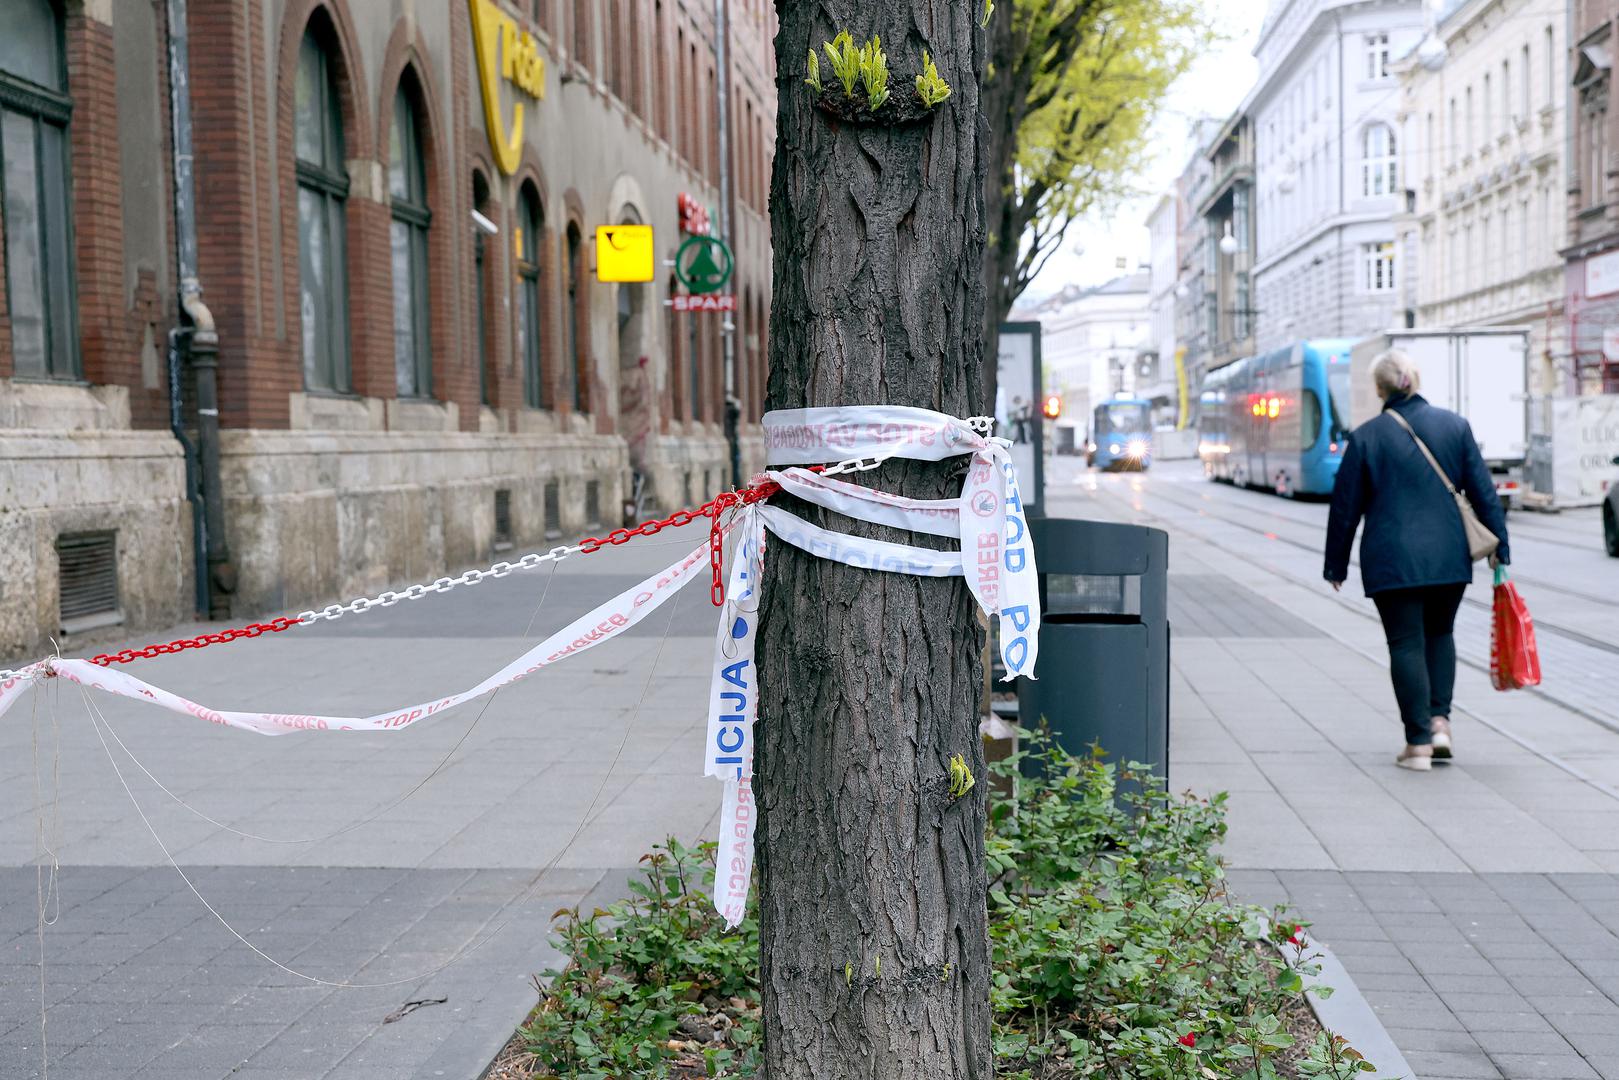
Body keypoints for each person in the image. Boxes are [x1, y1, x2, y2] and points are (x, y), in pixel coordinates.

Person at [1323, 350, 1509, 772]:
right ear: (1415, 380)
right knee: (1440, 634)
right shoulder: (1455, 426)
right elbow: (1483, 492)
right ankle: (1440, 723)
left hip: (1391, 560)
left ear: (1379, 388)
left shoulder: (1366, 437)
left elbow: (1345, 507)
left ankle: (1418, 743)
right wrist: (1502, 546)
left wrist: (1336, 564)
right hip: (1449, 557)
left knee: (1405, 643)